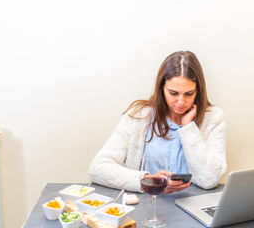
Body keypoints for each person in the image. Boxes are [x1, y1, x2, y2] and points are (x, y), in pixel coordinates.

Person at [88, 51, 227, 193]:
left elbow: (210, 179)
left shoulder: (213, 117)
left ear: (198, 91)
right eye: (173, 93)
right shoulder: (139, 116)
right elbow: (97, 168)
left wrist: (189, 128)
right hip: (147, 204)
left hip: (193, 206)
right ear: (162, 88)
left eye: (189, 94)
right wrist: (148, 181)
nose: (181, 102)